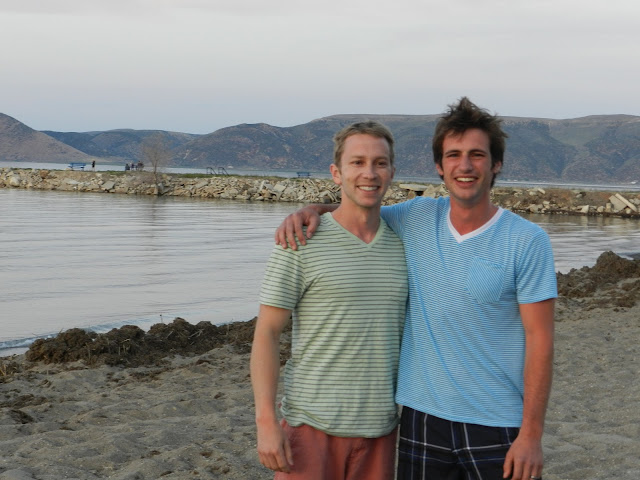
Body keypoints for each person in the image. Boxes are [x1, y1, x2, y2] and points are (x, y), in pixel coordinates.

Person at [275, 97, 557, 480]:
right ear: (440, 167)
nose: (465, 165)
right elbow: (357, 211)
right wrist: (310, 211)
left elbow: (540, 340)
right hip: (422, 419)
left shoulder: (527, 240)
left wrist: (532, 435)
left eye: (477, 155)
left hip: (498, 422)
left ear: (496, 164)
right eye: (453, 155)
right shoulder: (416, 217)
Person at [250, 121, 408, 480]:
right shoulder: (299, 241)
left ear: (392, 172)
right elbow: (267, 333)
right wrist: (266, 422)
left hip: (382, 429)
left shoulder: (406, 240)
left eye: (380, 163)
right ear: (337, 173)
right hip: (311, 427)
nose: (369, 173)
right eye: (357, 162)